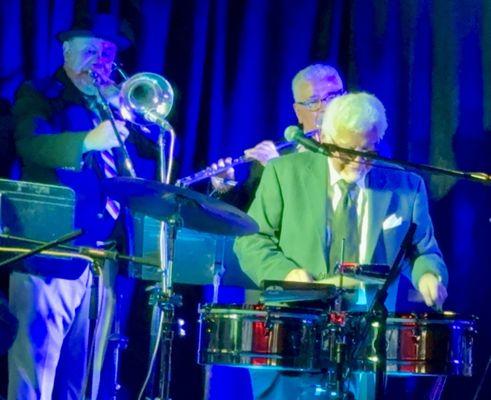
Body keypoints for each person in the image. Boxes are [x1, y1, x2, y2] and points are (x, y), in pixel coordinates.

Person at [234, 92, 448, 399]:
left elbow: (422, 250)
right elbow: (252, 239)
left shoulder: (406, 185)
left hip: (365, 337)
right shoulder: (285, 173)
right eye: (348, 151)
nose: (360, 161)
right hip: (295, 330)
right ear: (324, 138)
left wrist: (429, 275)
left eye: (369, 150)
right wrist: (287, 272)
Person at [9, 14, 157, 400]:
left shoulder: (116, 103)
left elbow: (147, 166)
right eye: (90, 50)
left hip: (106, 257)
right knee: (33, 372)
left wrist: (125, 113)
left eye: (107, 54)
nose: (99, 61)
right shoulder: (39, 94)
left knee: (85, 377)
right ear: (66, 51)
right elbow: (30, 145)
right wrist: (88, 141)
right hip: (52, 249)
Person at [211, 64, 344, 210]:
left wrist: (276, 166)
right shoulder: (278, 152)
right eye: (313, 102)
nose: (325, 108)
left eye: (332, 97)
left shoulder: (355, 154)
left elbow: (326, 208)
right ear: (298, 111)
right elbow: (247, 214)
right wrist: (226, 186)